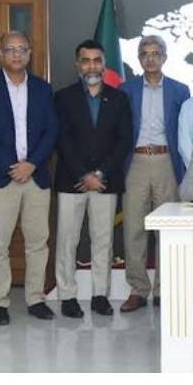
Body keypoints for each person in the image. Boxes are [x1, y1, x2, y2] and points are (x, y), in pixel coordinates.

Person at [0, 31, 59, 325]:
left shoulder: (42, 88)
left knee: (38, 241)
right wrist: (11, 166)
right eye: (10, 49)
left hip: (36, 177)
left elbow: (51, 130)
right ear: (0, 54)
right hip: (1, 177)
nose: (16, 54)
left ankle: (35, 298)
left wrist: (32, 164)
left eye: (22, 49)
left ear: (29, 53)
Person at [54, 39, 133, 318]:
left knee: (103, 240)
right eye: (85, 61)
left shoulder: (119, 98)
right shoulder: (63, 98)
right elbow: (62, 140)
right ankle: (67, 296)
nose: (91, 66)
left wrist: (99, 174)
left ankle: (100, 295)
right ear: (78, 65)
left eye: (97, 60)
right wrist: (83, 174)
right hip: (71, 180)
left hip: (105, 181)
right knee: (67, 241)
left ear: (104, 64)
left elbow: (124, 141)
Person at [119, 35, 189, 312]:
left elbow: (183, 130)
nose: (150, 58)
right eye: (144, 54)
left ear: (164, 57)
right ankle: (138, 290)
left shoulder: (180, 90)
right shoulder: (126, 89)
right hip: (135, 162)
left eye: (155, 53)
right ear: (139, 59)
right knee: (134, 228)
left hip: (166, 162)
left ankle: (164, 289)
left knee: (166, 229)